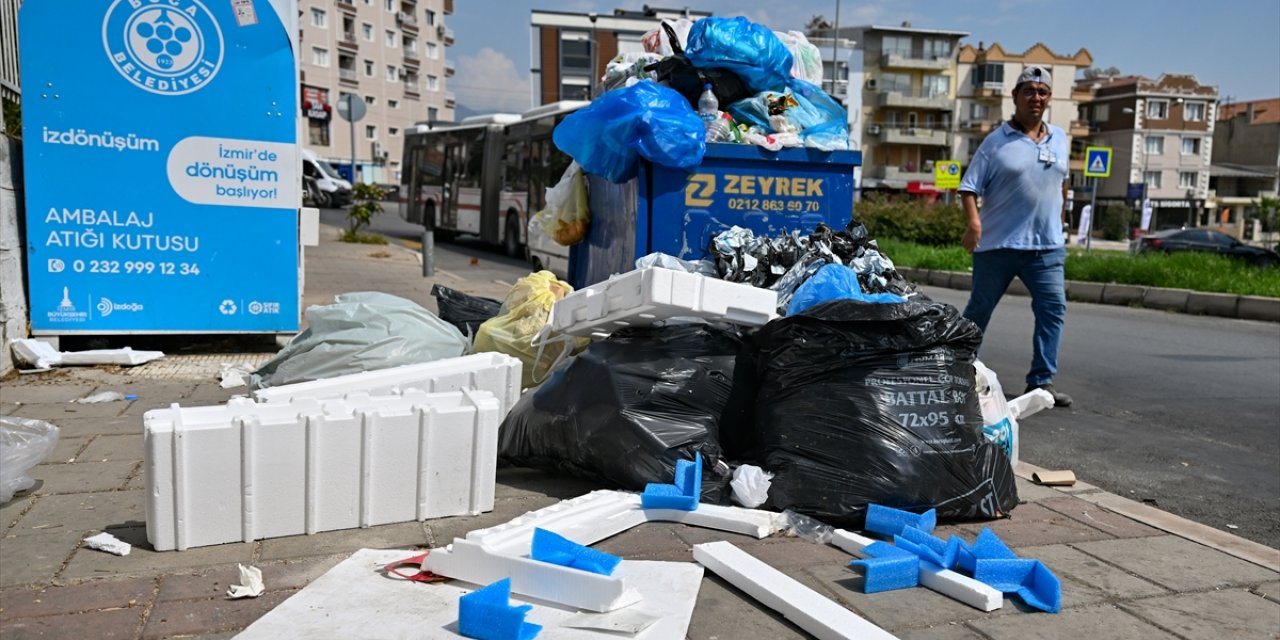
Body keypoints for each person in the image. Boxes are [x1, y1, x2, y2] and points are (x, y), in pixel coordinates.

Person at [957, 65, 1073, 407]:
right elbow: (968, 187)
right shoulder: (996, 143)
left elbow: (1063, 184)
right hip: (998, 245)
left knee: (1053, 309)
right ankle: (960, 372)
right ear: (1015, 96)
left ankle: (1041, 382)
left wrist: (1061, 219)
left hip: (1047, 247)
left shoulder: (1061, 138)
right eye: (1029, 91)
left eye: (1042, 92)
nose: (1036, 97)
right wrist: (974, 224)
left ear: (1049, 98)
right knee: (979, 309)